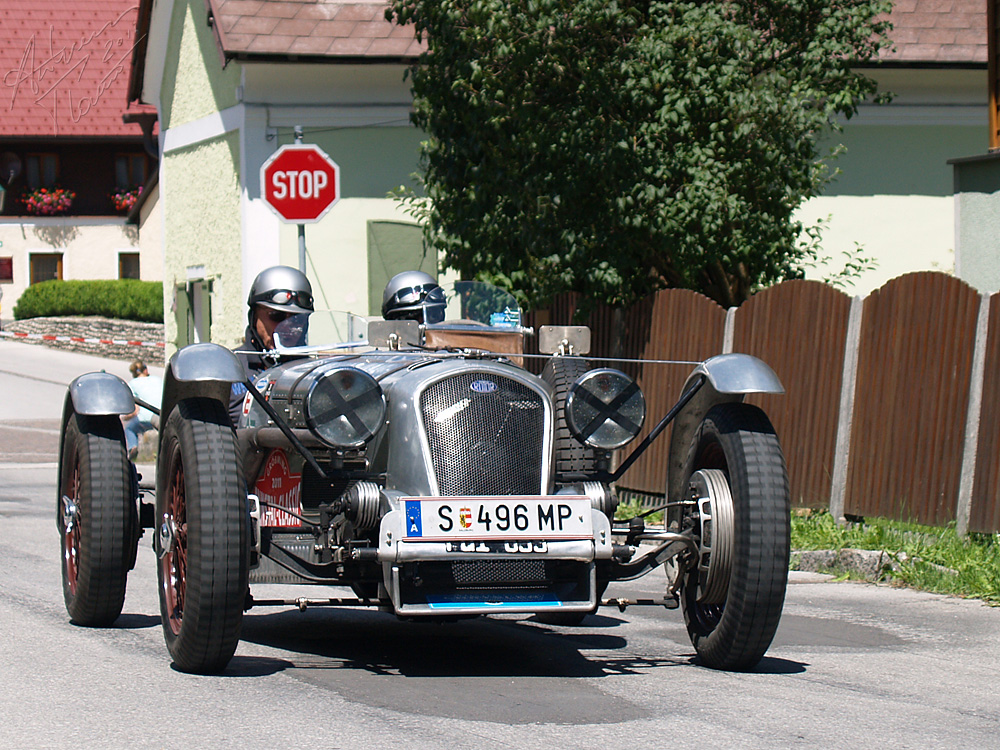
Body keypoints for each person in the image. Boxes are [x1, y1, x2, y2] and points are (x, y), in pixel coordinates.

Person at [229, 265, 314, 424]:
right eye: (277, 316)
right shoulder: (228, 368)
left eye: (297, 319)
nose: (288, 326)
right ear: (254, 317)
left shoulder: (314, 374)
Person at [123, 359, 163, 459]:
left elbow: (135, 410)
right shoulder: (157, 379)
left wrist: (125, 418)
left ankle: (133, 447)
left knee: (129, 428)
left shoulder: (133, 384)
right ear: (145, 370)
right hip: (161, 414)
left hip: (146, 418)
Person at [381, 270, 446, 324]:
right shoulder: (381, 339)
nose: (424, 324)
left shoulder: (447, 338)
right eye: (412, 318)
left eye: (433, 316)